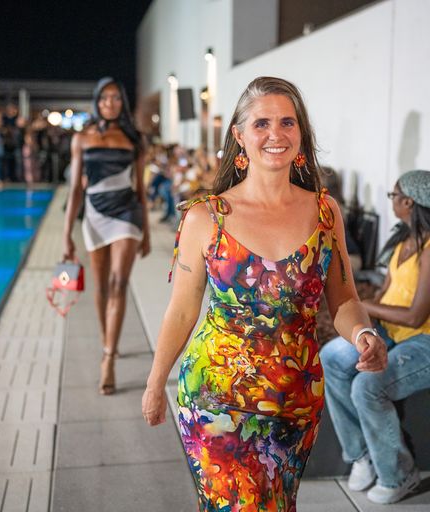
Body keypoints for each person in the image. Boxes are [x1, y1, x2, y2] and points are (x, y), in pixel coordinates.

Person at [142, 76, 387, 511]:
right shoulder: (207, 217)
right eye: (262, 124)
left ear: (301, 133)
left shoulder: (325, 212)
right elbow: (181, 311)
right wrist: (155, 381)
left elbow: (344, 299)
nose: (276, 134)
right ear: (239, 136)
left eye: (287, 122)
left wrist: (362, 334)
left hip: (295, 399)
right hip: (218, 397)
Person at [320, 169, 430, 505]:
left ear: (409, 202)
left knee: (367, 386)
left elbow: (415, 316)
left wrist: (365, 305)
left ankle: (399, 474)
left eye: (394, 195)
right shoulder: (402, 241)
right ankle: (362, 454)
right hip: (393, 332)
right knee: (332, 357)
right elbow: (385, 294)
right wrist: (365, 327)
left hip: (423, 341)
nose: (391, 201)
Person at [63, 77, 150, 395]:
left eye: (115, 98)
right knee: (99, 286)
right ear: (97, 102)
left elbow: (140, 189)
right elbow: (75, 189)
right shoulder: (81, 138)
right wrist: (66, 234)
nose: (110, 103)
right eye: (104, 98)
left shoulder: (134, 138)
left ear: (122, 102)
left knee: (118, 283)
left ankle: (109, 358)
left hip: (127, 213)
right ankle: (107, 341)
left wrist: (146, 231)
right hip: (95, 214)